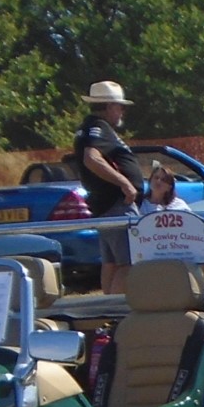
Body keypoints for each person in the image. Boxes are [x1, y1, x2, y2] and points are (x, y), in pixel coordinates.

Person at [74, 81, 144, 294]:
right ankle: (117, 314)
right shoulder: (100, 128)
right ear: (109, 106)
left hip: (106, 206)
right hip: (117, 205)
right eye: (120, 106)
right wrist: (125, 183)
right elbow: (92, 158)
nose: (122, 111)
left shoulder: (88, 128)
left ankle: (107, 312)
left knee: (112, 263)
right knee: (128, 262)